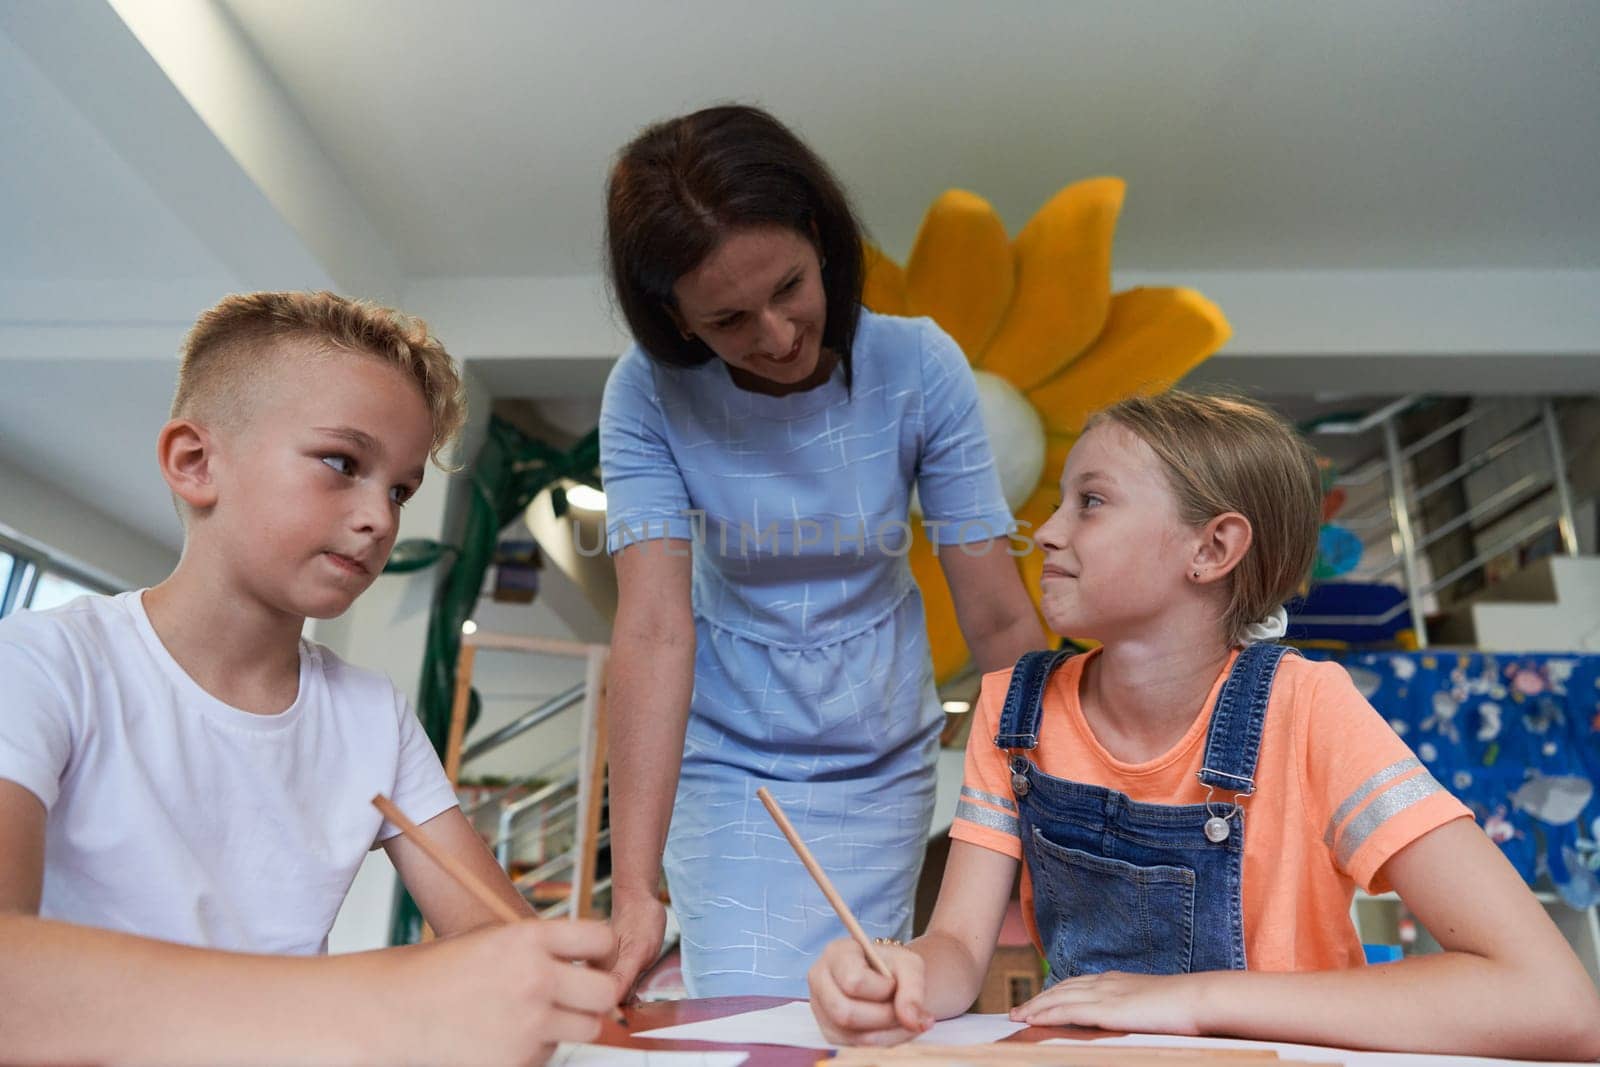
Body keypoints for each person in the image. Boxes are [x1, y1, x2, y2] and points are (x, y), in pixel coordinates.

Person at [807, 391, 1600, 1060]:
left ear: (1212, 547)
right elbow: (955, 954)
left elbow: (1559, 1002)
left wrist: (1193, 999)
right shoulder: (1013, 707)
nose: (1045, 531)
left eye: (1090, 501)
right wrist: (896, 971)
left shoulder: (1308, 707)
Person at [0, 291, 617, 1066]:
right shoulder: (42, 663)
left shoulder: (371, 716)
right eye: (342, 463)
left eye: (399, 488)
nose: (381, 518)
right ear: (196, 463)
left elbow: (499, 936)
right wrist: (388, 998)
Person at [600, 105, 1048, 999]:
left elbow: (997, 614)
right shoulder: (646, 395)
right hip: (726, 754)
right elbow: (652, 631)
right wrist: (633, 883)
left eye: (789, 288)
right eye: (728, 320)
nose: (775, 336)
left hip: (876, 755)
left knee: (852, 1000)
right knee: (740, 995)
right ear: (675, 319)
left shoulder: (920, 368)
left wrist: (1052, 808)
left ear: (820, 237)